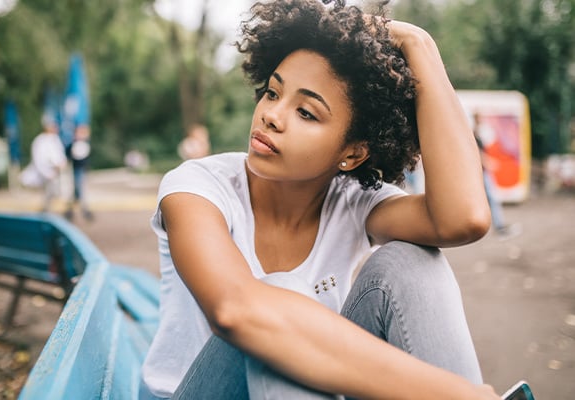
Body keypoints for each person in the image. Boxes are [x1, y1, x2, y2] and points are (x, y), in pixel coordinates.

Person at [140, 1, 502, 399]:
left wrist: (419, 44)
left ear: (352, 154)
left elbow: (463, 218)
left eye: (307, 113)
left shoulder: (354, 204)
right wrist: (450, 393)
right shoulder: (198, 187)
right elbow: (235, 311)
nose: (272, 116)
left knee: (413, 261)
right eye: (273, 92)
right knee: (280, 298)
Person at [472, 112, 521, 240]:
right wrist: (488, 163)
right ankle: (499, 226)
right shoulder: (474, 134)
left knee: (490, 198)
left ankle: (498, 225)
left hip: (481, 171)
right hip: (481, 172)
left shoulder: (477, 133)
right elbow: (478, 152)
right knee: (492, 198)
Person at [22, 115, 67, 212]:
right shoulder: (40, 141)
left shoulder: (55, 139)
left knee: (54, 195)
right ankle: (45, 213)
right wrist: (47, 173)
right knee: (48, 194)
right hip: (45, 174)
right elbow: (39, 160)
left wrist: (61, 164)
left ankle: (47, 212)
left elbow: (59, 155)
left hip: (55, 173)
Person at [65, 124, 94, 221]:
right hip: (77, 170)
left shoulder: (84, 144)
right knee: (79, 191)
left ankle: (71, 210)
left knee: (78, 191)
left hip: (81, 170)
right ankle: (83, 211)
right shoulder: (75, 144)